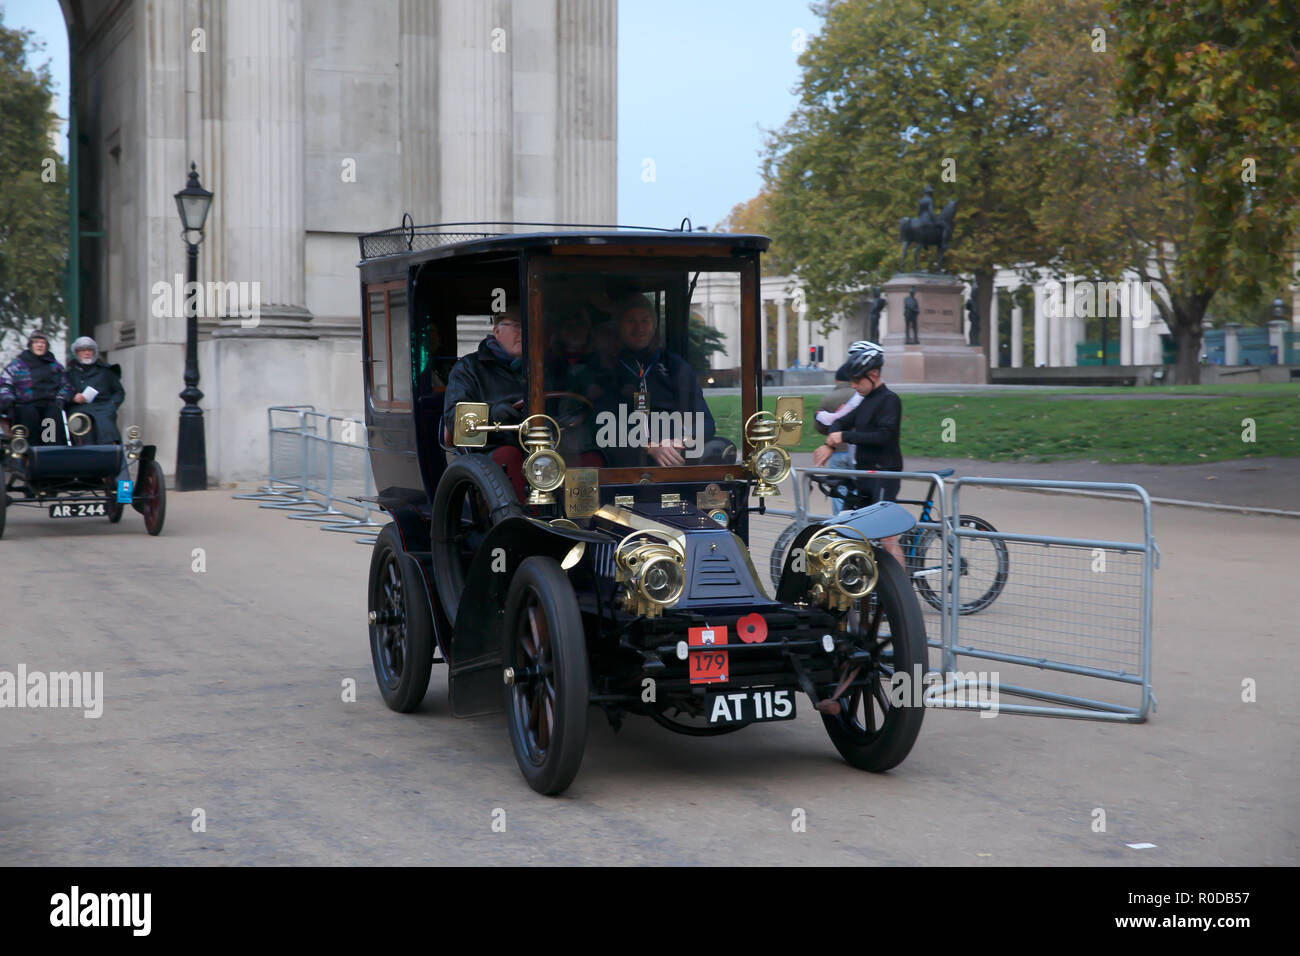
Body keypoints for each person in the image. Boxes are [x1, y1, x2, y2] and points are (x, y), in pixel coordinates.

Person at [812, 342, 905, 567]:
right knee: (855, 531)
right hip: (865, 475)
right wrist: (831, 444)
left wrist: (843, 436)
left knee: (887, 537)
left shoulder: (889, 400)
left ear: (873, 374)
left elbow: (884, 436)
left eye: (857, 380)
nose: (853, 385)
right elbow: (841, 422)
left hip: (885, 475)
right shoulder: (866, 401)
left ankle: (903, 594)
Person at [595, 294, 714, 467]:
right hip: (624, 462)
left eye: (645, 320)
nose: (639, 328)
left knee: (721, 448)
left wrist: (680, 441)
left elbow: (706, 422)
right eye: (630, 321)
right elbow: (601, 427)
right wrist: (649, 447)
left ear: (654, 325)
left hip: (676, 456)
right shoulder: (606, 368)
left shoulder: (674, 366)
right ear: (618, 326)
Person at [442, 307, 529, 498]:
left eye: (528, 326)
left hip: (542, 448)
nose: (523, 332)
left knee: (587, 459)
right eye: (516, 326)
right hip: (489, 453)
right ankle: (516, 523)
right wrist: (493, 415)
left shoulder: (543, 367)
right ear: (497, 331)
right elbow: (454, 419)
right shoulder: (469, 368)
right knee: (508, 456)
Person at [812, 341, 873, 514]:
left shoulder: (829, 397)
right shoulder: (858, 395)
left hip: (840, 450)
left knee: (840, 492)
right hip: (858, 453)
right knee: (859, 493)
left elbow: (827, 423)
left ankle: (840, 520)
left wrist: (818, 416)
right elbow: (843, 418)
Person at [0, 330, 73, 445]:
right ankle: (31, 451)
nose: (39, 345)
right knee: (29, 416)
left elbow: (66, 386)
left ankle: (50, 451)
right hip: (26, 404)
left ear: (46, 346)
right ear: (30, 345)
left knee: (53, 418)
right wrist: (8, 398)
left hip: (49, 404)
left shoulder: (55, 366)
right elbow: (5, 384)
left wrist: (61, 398)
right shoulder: (18, 364)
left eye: (42, 342)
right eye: (36, 342)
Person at [66, 336, 125, 444]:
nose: (87, 353)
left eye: (89, 350)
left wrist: (111, 406)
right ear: (77, 352)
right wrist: (73, 398)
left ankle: (110, 451)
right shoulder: (69, 372)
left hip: (102, 407)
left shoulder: (106, 371)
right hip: (79, 408)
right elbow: (61, 391)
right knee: (79, 421)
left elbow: (119, 392)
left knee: (105, 423)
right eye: (83, 350)